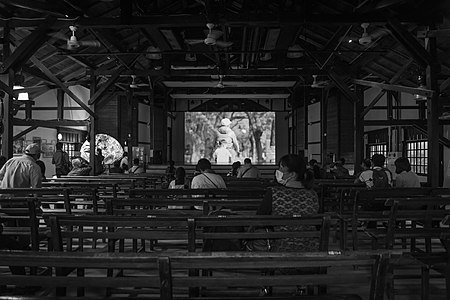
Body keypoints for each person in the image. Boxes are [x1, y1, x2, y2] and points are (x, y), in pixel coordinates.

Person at [257, 154, 319, 252]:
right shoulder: (313, 195)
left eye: (281, 168)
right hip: (311, 248)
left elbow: (260, 219)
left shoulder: (273, 193)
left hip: (280, 247)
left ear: (292, 174)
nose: (278, 171)